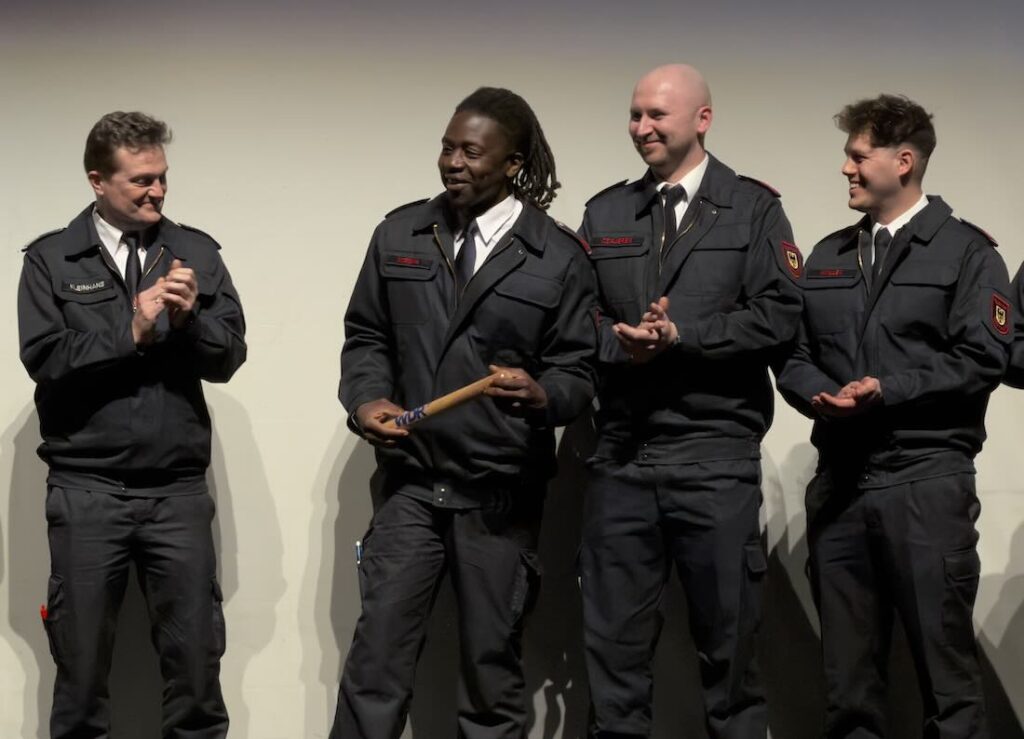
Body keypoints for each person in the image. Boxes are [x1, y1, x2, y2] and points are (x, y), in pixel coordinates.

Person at [332, 87, 597, 739]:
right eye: (447, 147)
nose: (453, 162)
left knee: (491, 676)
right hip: (411, 487)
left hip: (499, 498)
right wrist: (365, 399)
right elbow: (366, 336)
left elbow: (579, 370)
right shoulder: (400, 234)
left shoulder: (557, 255)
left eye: (471, 151)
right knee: (375, 666)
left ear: (513, 163)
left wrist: (544, 395)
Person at [577, 64, 802, 738]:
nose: (641, 127)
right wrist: (623, 345)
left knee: (730, 660)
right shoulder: (606, 212)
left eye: (657, 115)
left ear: (702, 119)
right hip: (622, 458)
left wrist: (683, 338)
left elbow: (780, 315)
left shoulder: (754, 208)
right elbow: (577, 318)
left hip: (715, 457)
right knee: (613, 662)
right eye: (635, 114)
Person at [776, 94, 1010, 738]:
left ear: (903, 161)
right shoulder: (827, 256)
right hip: (841, 486)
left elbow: (982, 357)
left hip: (925, 481)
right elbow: (794, 355)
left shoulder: (967, 253)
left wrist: (890, 390)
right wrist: (817, 395)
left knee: (947, 681)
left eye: (858, 156)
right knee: (848, 684)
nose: (845, 169)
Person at [17, 111, 246, 738]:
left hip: (177, 494)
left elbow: (229, 358)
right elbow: (44, 358)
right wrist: (132, 332)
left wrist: (190, 321)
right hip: (86, 492)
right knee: (81, 677)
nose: (157, 191)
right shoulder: (51, 259)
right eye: (141, 180)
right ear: (98, 180)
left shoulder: (196, 252)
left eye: (162, 177)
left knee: (196, 677)